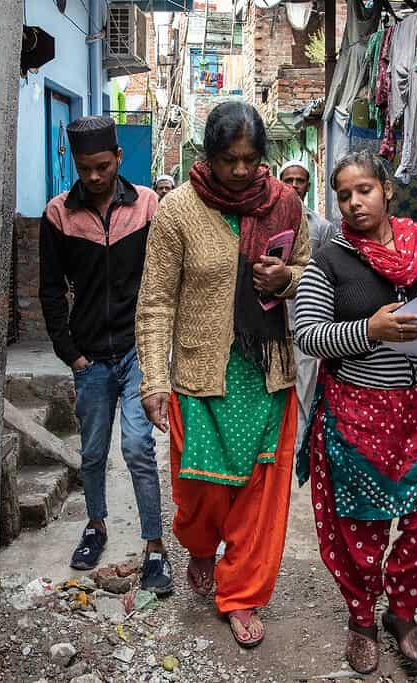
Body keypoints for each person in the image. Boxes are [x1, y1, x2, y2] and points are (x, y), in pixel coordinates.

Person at [136, 101, 310, 648]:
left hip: (266, 373)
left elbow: (311, 278)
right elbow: (157, 301)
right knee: (201, 492)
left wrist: (285, 277)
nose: (241, 170)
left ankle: (241, 594)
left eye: (251, 159)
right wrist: (153, 381)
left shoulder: (286, 205)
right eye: (229, 159)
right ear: (207, 156)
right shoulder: (179, 209)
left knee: (261, 495)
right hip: (198, 374)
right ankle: (201, 548)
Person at [294, 150, 417, 673]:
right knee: (359, 529)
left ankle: (403, 611)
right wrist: (370, 329)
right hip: (356, 415)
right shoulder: (329, 260)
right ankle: (361, 620)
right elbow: (307, 335)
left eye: (364, 190)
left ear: (387, 190)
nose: (354, 203)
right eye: (344, 195)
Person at [39, 116, 173, 595]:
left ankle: (155, 547)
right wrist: (70, 354)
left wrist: (160, 346)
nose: (93, 177)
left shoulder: (148, 206)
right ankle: (96, 525)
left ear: (118, 158)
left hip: (139, 350)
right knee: (92, 452)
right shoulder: (58, 214)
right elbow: (51, 291)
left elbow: (164, 275)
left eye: (101, 166)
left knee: (139, 449)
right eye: (84, 168)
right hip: (90, 357)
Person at [277, 160, 339, 450]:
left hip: (305, 322)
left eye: (299, 180)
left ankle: (303, 448)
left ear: (308, 185)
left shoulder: (322, 228)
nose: (293, 185)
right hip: (273, 321)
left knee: (306, 387)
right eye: (288, 179)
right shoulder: (266, 222)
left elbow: (332, 272)